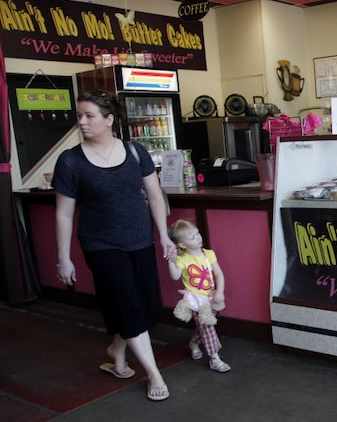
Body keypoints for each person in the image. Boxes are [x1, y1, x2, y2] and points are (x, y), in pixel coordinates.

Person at [53, 90, 175, 402]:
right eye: (79, 116)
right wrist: (64, 258)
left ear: (109, 120)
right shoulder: (70, 161)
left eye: (89, 116)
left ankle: (116, 351)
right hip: (100, 244)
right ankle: (154, 374)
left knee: (144, 306)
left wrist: (163, 235)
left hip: (139, 239)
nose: (82, 122)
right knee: (129, 304)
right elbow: (64, 213)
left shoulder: (136, 152)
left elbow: (155, 195)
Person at [167, 219, 231, 373]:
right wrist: (170, 260)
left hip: (211, 298)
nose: (198, 238)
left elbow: (219, 274)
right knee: (207, 326)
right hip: (195, 300)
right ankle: (214, 358)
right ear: (182, 245)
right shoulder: (182, 259)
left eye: (197, 234)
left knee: (205, 327)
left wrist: (220, 291)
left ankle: (194, 343)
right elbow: (175, 276)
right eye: (192, 237)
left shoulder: (209, 254)